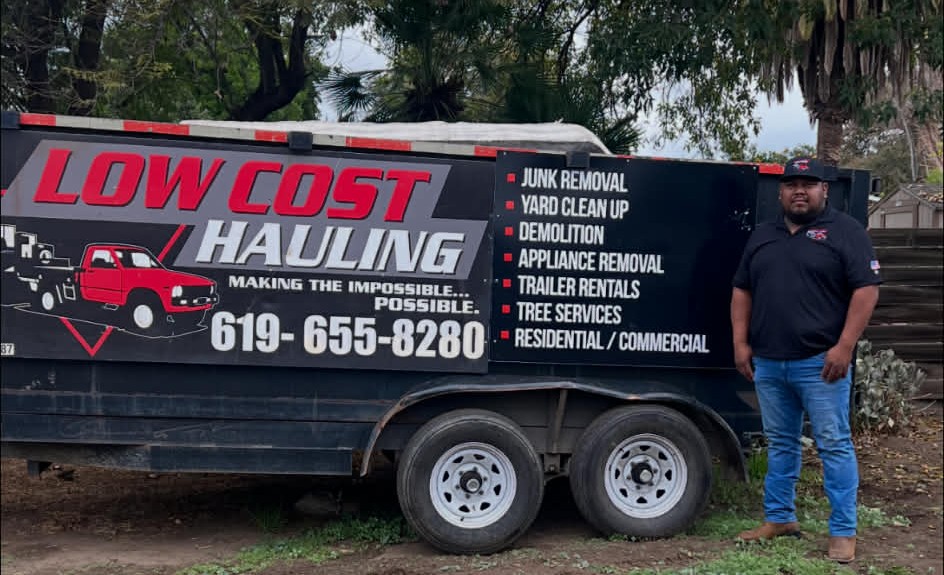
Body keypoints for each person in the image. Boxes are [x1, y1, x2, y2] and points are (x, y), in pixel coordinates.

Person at [730, 156, 881, 563]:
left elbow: (866, 291)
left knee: (833, 445)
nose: (800, 190)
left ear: (824, 190)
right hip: (768, 362)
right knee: (780, 444)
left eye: (809, 183)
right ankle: (780, 518)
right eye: (792, 183)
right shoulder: (763, 235)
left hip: (821, 364)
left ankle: (843, 533)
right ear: (780, 191)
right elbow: (742, 290)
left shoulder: (846, 232)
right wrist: (740, 343)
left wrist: (844, 346)